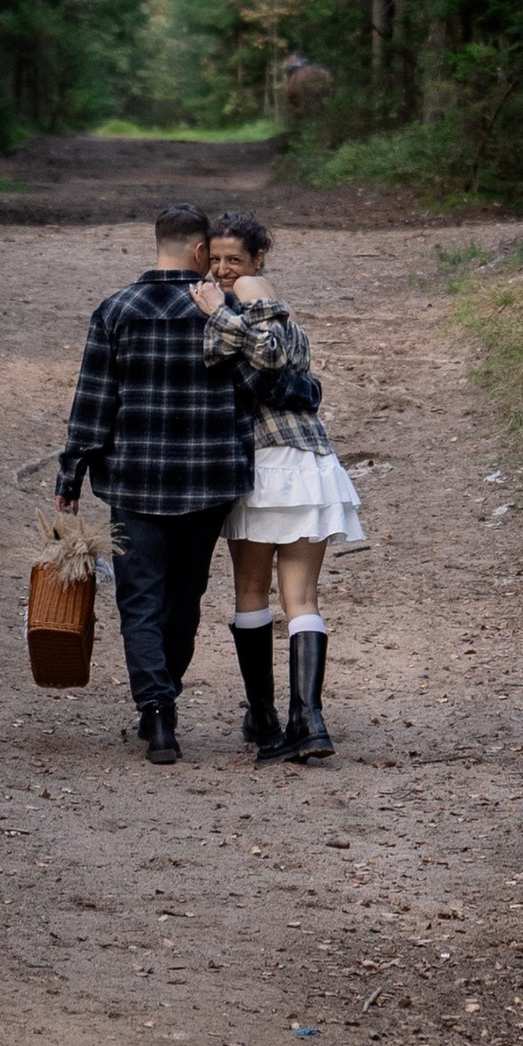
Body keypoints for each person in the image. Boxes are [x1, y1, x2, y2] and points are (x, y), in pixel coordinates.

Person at [51, 202, 252, 766]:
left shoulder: (116, 309)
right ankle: (161, 698)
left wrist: (72, 474)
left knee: (139, 598)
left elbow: (93, 402)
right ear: (198, 252)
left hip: (135, 483)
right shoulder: (225, 312)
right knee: (184, 598)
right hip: (208, 481)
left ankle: (158, 714)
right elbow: (248, 394)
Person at [201, 211, 363, 764]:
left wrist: (223, 307)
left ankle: (273, 715)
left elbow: (259, 362)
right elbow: (301, 380)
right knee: (302, 599)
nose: (224, 270)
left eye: (236, 261)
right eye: (216, 260)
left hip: (264, 464)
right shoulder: (289, 321)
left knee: (253, 593)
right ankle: (304, 720)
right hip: (309, 461)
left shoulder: (230, 314)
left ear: (258, 261)